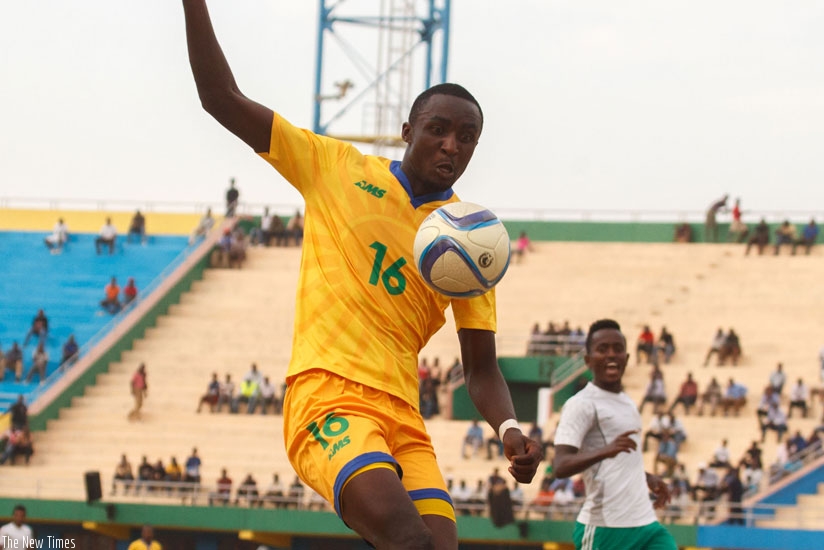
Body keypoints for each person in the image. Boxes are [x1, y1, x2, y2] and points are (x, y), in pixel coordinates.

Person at [183, 4, 542, 548]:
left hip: (404, 420)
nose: (452, 145)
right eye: (438, 129)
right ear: (406, 131)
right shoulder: (336, 168)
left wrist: (510, 429)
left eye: (466, 137)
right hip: (329, 396)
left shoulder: (474, 240)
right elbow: (220, 99)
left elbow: (482, 368)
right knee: (410, 540)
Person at [552, 319, 676, 550]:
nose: (611, 354)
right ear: (588, 360)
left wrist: (647, 477)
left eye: (618, 349)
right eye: (602, 349)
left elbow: (621, 458)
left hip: (646, 525)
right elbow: (560, 465)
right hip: (605, 529)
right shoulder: (581, 404)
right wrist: (605, 451)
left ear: (627, 358)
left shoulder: (628, 403)